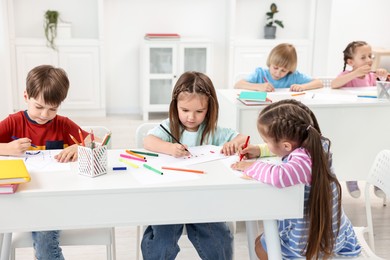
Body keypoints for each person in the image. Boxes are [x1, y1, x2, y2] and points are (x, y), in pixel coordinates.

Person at [231, 101, 361, 259]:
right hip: (335, 229)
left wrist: (250, 167)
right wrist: (260, 150)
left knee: (259, 246)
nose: (266, 144)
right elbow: (289, 150)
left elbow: (280, 176)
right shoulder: (318, 144)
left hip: (311, 240)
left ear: (286, 145)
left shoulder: (303, 162)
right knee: (262, 240)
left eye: (266, 142)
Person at [141, 71, 246, 260]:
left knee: (218, 240)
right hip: (169, 200)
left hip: (204, 200)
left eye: (199, 111)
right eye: (185, 110)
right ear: (175, 107)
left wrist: (234, 144)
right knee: (162, 243)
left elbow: (242, 138)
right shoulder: (170, 127)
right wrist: (169, 147)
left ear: (210, 108)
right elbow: (148, 141)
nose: (191, 117)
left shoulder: (214, 131)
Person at [0, 64, 90, 259]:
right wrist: (7, 148)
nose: (44, 115)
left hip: (52, 199)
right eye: (39, 107)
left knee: (45, 245)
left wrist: (79, 147)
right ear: (26, 97)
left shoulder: (62, 124)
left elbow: (96, 142)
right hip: (19, 198)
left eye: (52, 109)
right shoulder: (14, 122)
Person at [331, 41, 387, 199]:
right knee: (354, 148)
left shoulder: (372, 76)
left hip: (369, 120)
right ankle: (351, 177)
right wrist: (355, 73)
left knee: (374, 148)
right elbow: (335, 85)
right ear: (350, 62)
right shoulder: (346, 76)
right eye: (363, 57)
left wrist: (383, 77)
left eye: (370, 56)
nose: (369, 60)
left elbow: (382, 92)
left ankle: (379, 181)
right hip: (352, 122)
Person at [234, 43, 323, 92]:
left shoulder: (293, 76)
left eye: (283, 70)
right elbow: (238, 84)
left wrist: (302, 87)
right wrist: (258, 86)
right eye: (275, 68)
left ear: (289, 70)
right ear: (270, 62)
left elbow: (319, 82)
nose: (278, 73)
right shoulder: (260, 74)